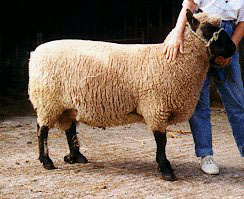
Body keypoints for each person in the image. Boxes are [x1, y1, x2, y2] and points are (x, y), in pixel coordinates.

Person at [163, 0, 244, 175]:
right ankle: (205, 154)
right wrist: (178, 34)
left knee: (237, 100)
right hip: (203, 32)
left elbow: (243, 22)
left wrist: (232, 47)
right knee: (199, 101)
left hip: (228, 35)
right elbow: (189, 7)